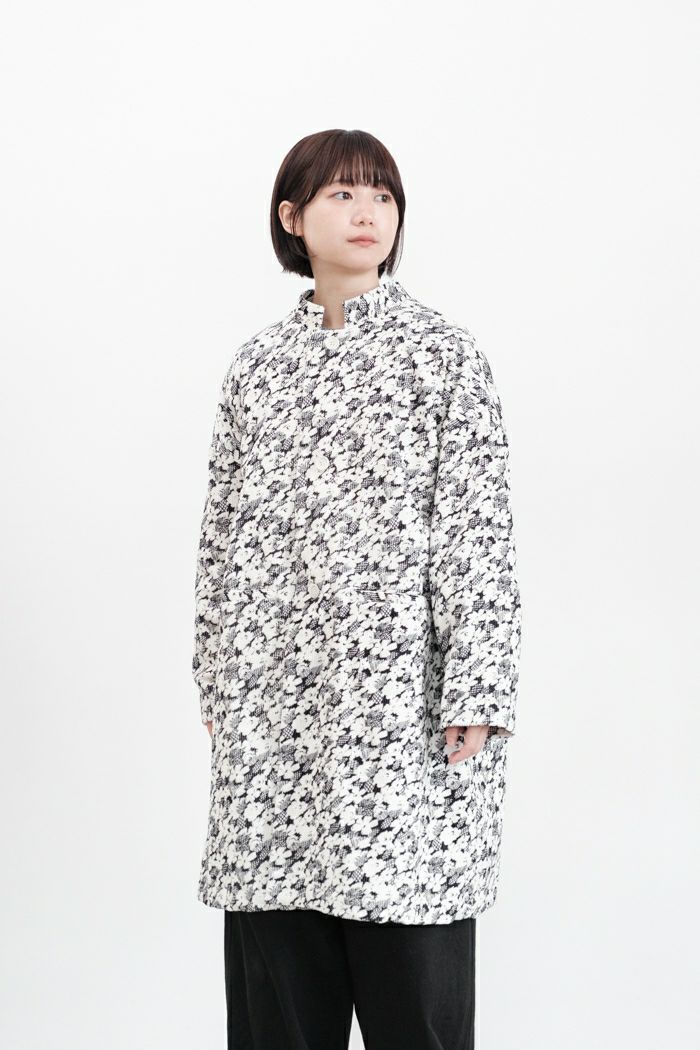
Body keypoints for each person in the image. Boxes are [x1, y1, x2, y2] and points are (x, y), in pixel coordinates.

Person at [192, 128, 522, 1050]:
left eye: (382, 194)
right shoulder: (257, 369)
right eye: (341, 194)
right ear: (292, 219)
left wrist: (479, 688)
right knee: (279, 1008)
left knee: (413, 992)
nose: (367, 211)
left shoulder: (443, 357)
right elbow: (221, 537)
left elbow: (478, 532)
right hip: (275, 727)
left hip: (402, 719)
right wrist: (218, 680)